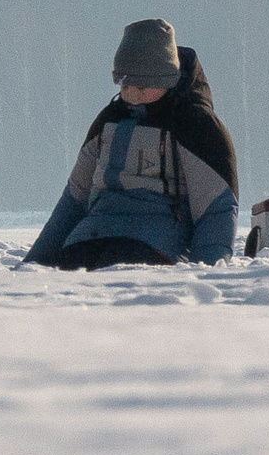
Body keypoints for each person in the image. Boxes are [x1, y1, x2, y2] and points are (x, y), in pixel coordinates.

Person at [25, 19, 238, 268]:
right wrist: (34, 265)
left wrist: (205, 273)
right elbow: (73, 200)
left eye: (142, 86)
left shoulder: (196, 125)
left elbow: (216, 209)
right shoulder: (110, 120)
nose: (132, 94)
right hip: (89, 238)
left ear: (166, 79)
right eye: (125, 84)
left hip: (153, 244)